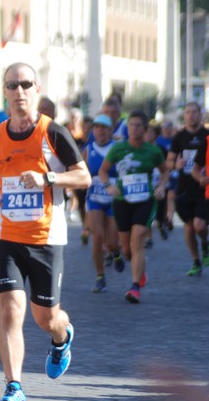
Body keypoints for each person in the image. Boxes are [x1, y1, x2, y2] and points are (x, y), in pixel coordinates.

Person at [0, 62, 91, 401]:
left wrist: (48, 180)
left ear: (36, 89)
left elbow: (83, 177)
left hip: (46, 239)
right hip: (6, 235)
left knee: (45, 318)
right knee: (10, 310)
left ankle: (61, 336)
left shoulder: (52, 133)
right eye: (12, 85)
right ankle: (14, 388)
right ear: (5, 92)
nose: (19, 91)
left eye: (25, 84)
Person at [98, 109, 168, 304]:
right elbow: (103, 171)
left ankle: (135, 286)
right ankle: (139, 270)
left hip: (145, 200)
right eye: (131, 125)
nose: (134, 129)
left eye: (138, 126)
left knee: (137, 240)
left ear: (145, 129)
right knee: (127, 249)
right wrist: (108, 185)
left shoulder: (153, 151)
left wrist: (161, 186)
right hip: (122, 201)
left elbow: (165, 172)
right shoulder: (118, 149)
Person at [166, 102, 209, 276]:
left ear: (200, 115)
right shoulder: (179, 137)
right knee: (189, 227)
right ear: (184, 115)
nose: (191, 115)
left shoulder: (207, 135)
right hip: (185, 188)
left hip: (203, 188)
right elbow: (168, 162)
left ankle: (205, 245)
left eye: (194, 112)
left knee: (199, 225)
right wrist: (175, 164)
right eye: (187, 112)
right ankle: (196, 261)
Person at [83, 114, 124, 293]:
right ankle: (100, 277)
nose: (100, 131)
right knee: (97, 238)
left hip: (114, 199)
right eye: (97, 127)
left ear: (110, 130)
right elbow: (80, 171)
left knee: (113, 242)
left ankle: (115, 253)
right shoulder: (88, 149)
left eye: (103, 128)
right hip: (95, 200)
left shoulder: (117, 148)